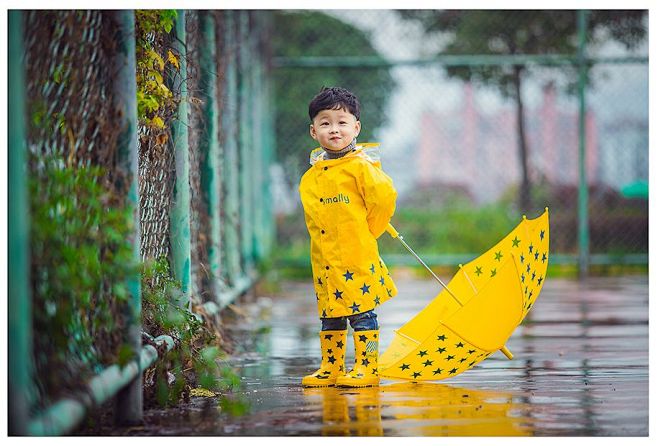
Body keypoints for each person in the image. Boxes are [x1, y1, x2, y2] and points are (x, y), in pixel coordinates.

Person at [299, 86, 398, 388]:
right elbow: (314, 219)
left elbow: (383, 200)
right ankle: (331, 365)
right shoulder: (312, 176)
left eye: (342, 122)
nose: (334, 129)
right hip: (325, 260)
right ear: (314, 131)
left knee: (362, 313)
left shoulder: (361, 167)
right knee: (330, 314)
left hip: (356, 255)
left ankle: (368, 365)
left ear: (356, 127)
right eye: (325, 123)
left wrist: (368, 231)